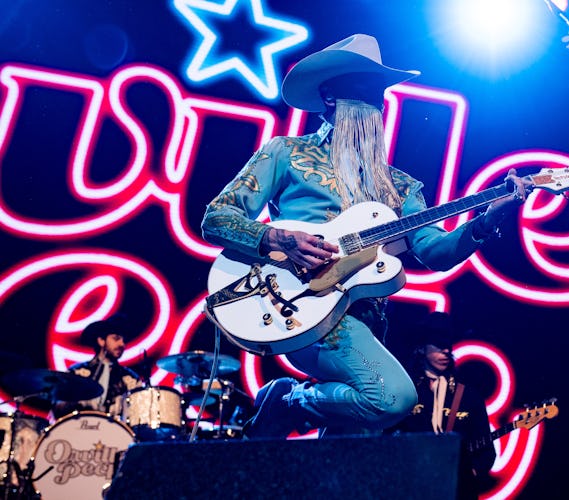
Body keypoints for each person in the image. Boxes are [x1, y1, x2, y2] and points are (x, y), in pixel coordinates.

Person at [201, 33, 532, 439]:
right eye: (362, 92)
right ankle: (289, 399)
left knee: (349, 460)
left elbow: (435, 251)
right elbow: (217, 217)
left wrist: (487, 219)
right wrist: (281, 239)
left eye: (379, 94)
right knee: (392, 397)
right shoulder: (286, 153)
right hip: (298, 304)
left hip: (366, 319)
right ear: (330, 98)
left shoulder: (401, 187)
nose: (375, 106)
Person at [388, 311, 496, 499]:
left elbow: (487, 452)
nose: (446, 351)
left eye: (448, 345)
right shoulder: (406, 393)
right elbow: (388, 441)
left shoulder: (469, 397)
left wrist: (469, 475)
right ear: (422, 348)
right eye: (439, 345)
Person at [52, 314, 141, 420]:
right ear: (101, 341)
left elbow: (139, 415)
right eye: (116, 338)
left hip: (116, 433)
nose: (122, 344)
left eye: (124, 340)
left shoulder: (131, 379)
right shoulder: (76, 373)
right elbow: (57, 409)